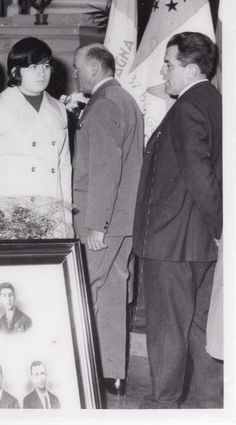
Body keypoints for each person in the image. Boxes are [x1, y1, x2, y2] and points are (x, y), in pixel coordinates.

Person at [133, 32, 222, 409]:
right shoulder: (216, 102)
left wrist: (220, 225)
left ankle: (163, 406)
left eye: (169, 64)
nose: (162, 71)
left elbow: (199, 174)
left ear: (190, 69)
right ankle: (209, 407)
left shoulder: (188, 107)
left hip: (173, 242)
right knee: (202, 327)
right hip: (202, 243)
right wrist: (219, 230)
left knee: (167, 328)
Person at [71, 43, 143, 396]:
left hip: (102, 223)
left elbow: (104, 170)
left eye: (78, 67)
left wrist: (96, 225)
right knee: (114, 295)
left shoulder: (103, 105)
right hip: (124, 221)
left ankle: (88, 372)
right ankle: (113, 374)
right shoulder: (126, 100)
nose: (75, 74)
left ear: (95, 69)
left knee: (90, 292)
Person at [0, 37, 72, 231]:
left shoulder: (58, 108)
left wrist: (67, 220)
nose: (42, 73)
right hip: (8, 213)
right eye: (33, 67)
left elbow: (64, 167)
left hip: (50, 212)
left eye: (46, 66)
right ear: (16, 71)